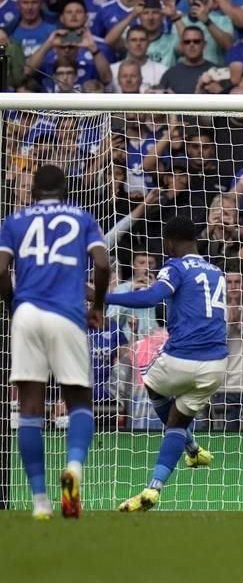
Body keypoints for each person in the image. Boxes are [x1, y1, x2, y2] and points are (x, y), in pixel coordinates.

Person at [0, 165, 110, 519]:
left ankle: (40, 502)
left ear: (33, 191)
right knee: (79, 398)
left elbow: (1, 269)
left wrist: (13, 304)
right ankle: (74, 468)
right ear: (65, 191)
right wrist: (98, 305)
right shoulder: (81, 217)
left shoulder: (14, 220)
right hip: (66, 313)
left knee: (30, 407)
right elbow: (103, 263)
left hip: (27, 312)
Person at [107, 216, 225, 512]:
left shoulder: (175, 266)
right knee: (177, 420)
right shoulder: (216, 271)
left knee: (150, 383)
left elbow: (151, 297)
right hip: (217, 365)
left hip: (180, 358)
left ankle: (191, 447)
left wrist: (102, 296)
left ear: (170, 242)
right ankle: (156, 486)